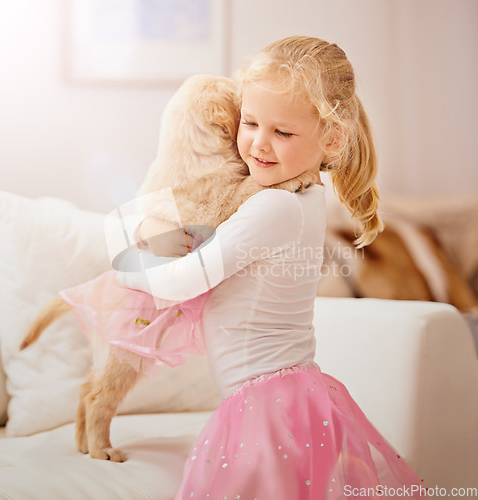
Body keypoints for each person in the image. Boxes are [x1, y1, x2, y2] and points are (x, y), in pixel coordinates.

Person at [116, 36, 426, 499]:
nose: (259, 144)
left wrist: (134, 248)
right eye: (251, 122)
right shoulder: (306, 195)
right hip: (293, 397)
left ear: (332, 138)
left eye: (283, 133)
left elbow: (181, 283)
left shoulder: (274, 209)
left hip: (263, 408)